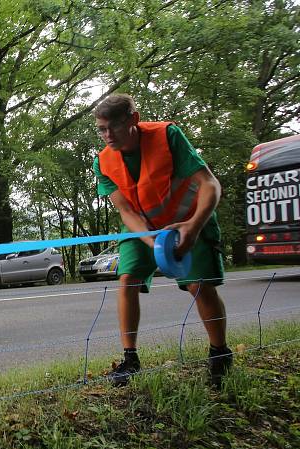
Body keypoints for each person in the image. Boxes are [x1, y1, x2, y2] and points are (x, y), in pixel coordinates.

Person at [92, 93, 232, 388]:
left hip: (190, 220)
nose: (108, 135)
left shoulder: (167, 136)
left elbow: (210, 184)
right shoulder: (102, 162)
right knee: (127, 278)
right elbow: (125, 210)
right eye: (101, 129)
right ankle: (130, 360)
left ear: (133, 119)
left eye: (113, 127)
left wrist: (193, 228)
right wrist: (152, 240)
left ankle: (219, 354)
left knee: (199, 286)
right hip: (142, 228)